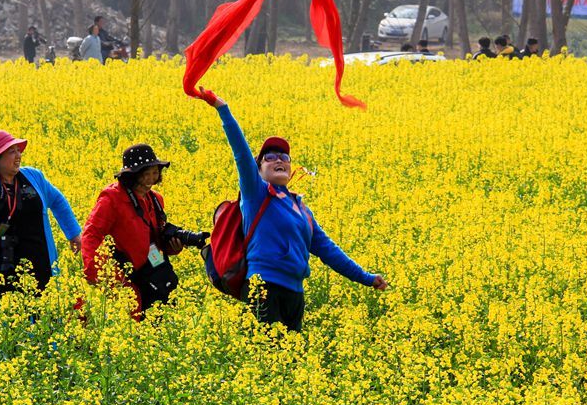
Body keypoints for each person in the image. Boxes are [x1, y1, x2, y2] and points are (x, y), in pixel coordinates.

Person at [195, 89, 387, 332]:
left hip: (294, 292)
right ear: (259, 169)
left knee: (289, 360)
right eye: (270, 157)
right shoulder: (256, 194)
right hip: (262, 286)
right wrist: (223, 109)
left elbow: (329, 251)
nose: (279, 160)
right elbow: (241, 154)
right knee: (268, 357)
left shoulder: (300, 208)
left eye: (284, 156)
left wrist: (367, 278)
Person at [81, 144, 209, 316]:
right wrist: (94, 271)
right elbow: (91, 233)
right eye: (145, 174)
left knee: (164, 295)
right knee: (134, 313)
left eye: (155, 173)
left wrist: (173, 246)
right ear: (131, 176)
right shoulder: (112, 199)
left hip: (151, 262)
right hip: (123, 270)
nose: (150, 180)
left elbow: (154, 237)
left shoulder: (155, 199)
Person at [0, 130, 81, 294]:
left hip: (40, 258)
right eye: (12, 152)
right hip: (3, 262)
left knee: (43, 305)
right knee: (8, 308)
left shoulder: (34, 176)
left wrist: (73, 234)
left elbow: (57, 200)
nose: (18, 155)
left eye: (18, 150)